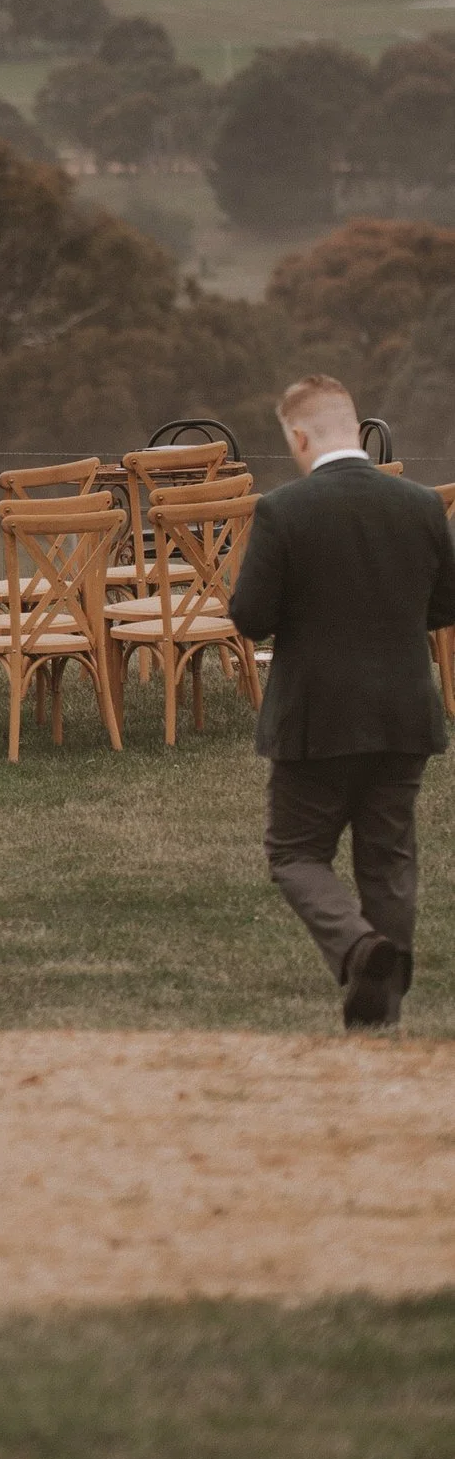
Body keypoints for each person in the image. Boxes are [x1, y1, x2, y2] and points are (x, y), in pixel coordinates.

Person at [231, 375, 455, 1032]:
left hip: (315, 717)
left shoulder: (283, 511)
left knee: (295, 854)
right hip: (404, 711)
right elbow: (447, 602)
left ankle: (360, 950)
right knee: (388, 862)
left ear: (298, 438)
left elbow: (251, 615)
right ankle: (378, 1015)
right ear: (355, 429)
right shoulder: (419, 505)